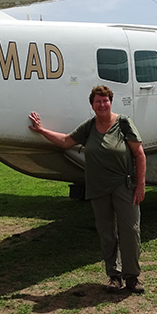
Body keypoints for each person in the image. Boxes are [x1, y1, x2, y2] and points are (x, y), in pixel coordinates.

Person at [28, 85, 147, 293]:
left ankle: (132, 277)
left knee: (130, 230)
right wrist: (41, 130)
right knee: (106, 232)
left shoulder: (123, 123)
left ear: (111, 102)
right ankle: (114, 275)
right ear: (92, 105)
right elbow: (66, 141)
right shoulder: (89, 127)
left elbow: (139, 154)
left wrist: (140, 185)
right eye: (97, 102)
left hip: (123, 186)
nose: (102, 105)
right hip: (98, 188)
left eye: (105, 100)